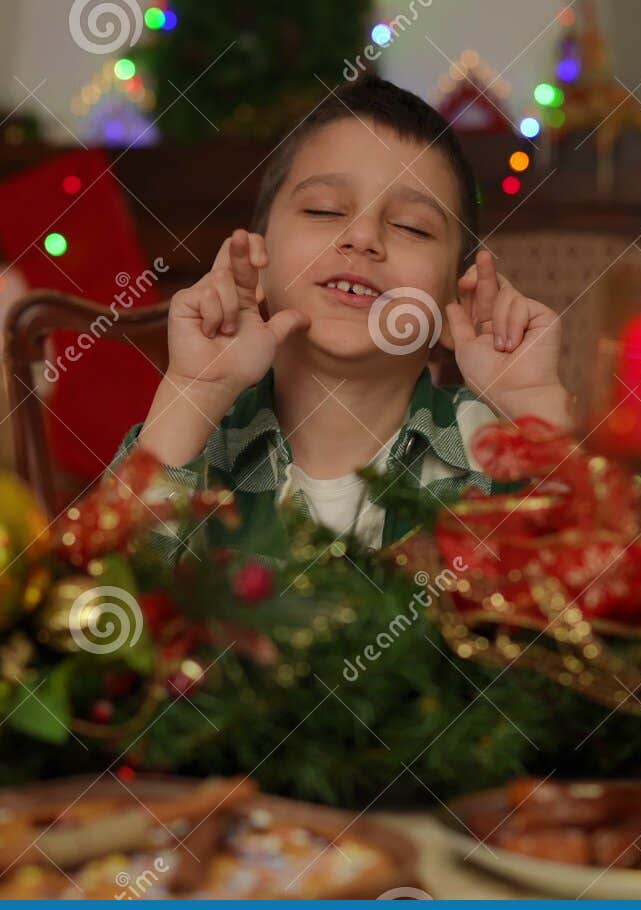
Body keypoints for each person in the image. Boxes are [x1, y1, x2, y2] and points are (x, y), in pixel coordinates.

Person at [112, 76, 569, 553]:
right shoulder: (193, 442)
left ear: (457, 295)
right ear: (258, 260)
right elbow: (102, 603)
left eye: (411, 226)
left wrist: (537, 410)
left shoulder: (495, 454)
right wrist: (192, 391)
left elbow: (592, 596)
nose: (364, 236)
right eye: (325, 211)